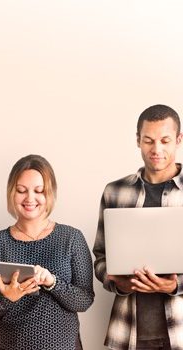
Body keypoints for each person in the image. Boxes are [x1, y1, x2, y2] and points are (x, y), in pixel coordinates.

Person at [0, 154, 94, 350]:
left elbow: (84, 300)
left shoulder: (71, 238)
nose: (30, 198)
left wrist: (52, 282)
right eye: (22, 190)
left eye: (39, 191)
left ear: (50, 194)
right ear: (11, 193)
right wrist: (8, 298)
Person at [93, 104, 183, 350]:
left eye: (165, 140)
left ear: (178, 140)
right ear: (137, 140)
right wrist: (117, 283)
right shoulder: (114, 191)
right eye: (148, 140)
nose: (157, 149)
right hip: (128, 333)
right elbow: (100, 258)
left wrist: (175, 286)